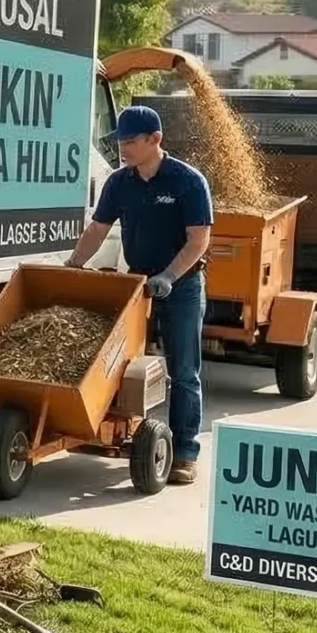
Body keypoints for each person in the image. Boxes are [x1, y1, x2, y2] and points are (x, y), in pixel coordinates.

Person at [65, 104, 214, 485]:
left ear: (155, 140)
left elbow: (199, 241)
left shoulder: (187, 181)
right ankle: (122, 432)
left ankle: (184, 452)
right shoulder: (120, 182)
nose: (124, 149)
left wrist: (169, 275)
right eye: (120, 142)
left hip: (181, 286)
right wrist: (73, 266)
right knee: (119, 361)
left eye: (131, 142)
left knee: (183, 371)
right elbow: (98, 229)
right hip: (136, 285)